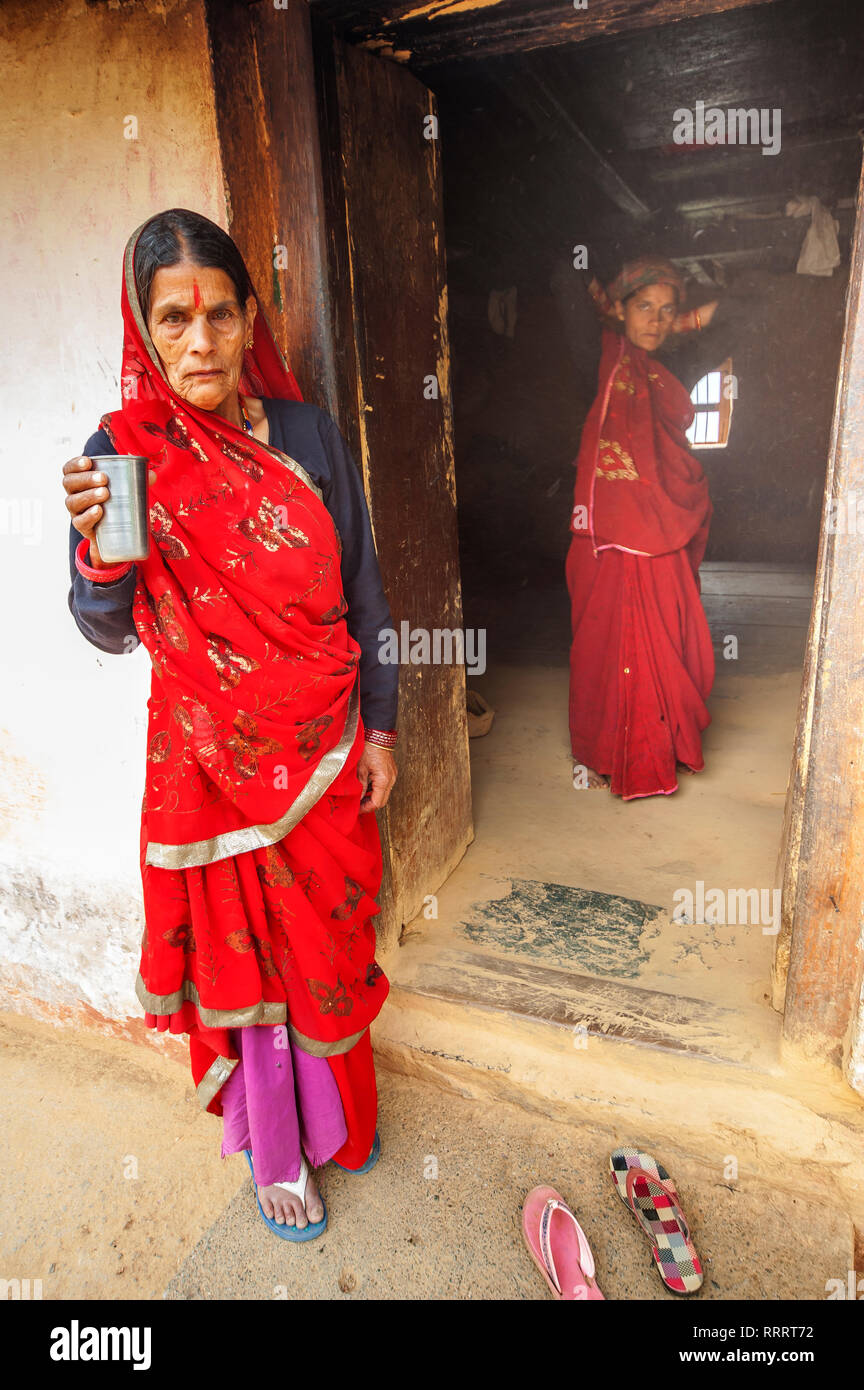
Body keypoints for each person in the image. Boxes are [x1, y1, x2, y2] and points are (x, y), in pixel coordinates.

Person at [63, 209, 398, 1238]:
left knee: (328, 936)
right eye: (172, 318)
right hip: (205, 758)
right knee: (245, 952)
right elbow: (104, 628)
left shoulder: (305, 437)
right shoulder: (119, 453)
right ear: (144, 326)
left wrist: (380, 727)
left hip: (322, 739)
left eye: (216, 314)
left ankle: (346, 1119)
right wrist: (101, 560)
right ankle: (279, 1150)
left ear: (250, 317)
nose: (197, 341)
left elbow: (364, 587)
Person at [566, 257, 718, 799]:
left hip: (661, 525)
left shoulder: (661, 374)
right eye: (644, 307)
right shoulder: (602, 359)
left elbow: (732, 307)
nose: (655, 320)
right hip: (609, 529)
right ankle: (614, 749)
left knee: (667, 635)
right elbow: (576, 283)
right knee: (612, 637)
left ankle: (663, 744)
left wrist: (691, 318)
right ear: (620, 311)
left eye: (667, 311)